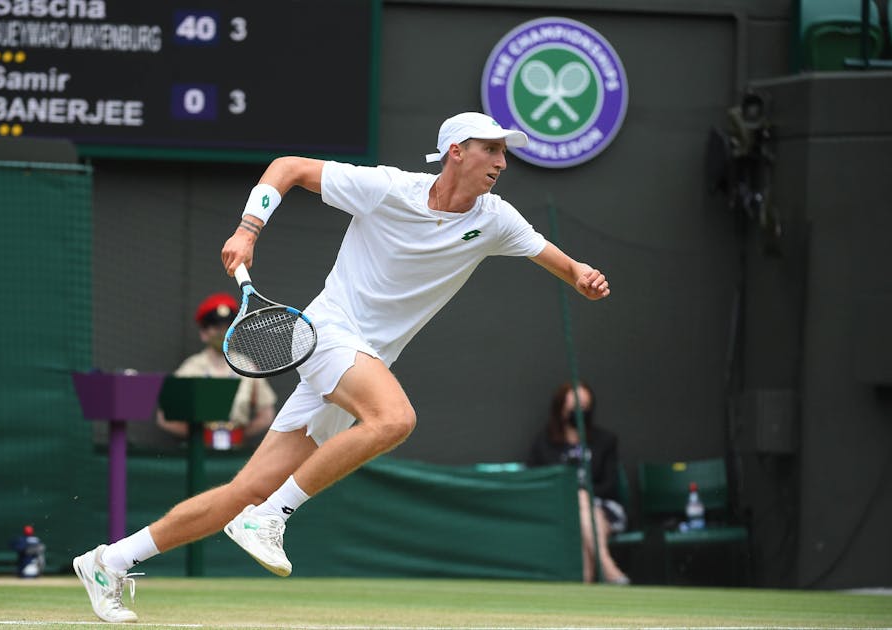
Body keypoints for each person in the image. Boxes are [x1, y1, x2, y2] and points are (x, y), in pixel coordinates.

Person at [74, 111, 610, 622]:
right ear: (456, 152)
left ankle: (110, 561)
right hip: (330, 332)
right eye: (491, 149)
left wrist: (583, 276)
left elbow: (558, 261)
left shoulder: (496, 219)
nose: (501, 161)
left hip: (365, 357)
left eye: (504, 152)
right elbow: (288, 167)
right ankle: (271, 518)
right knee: (394, 419)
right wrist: (247, 229)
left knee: (246, 489)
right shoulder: (387, 188)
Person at [527, 380, 630, 585]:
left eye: (584, 408)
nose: (579, 414)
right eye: (574, 408)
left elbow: (610, 485)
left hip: (604, 508)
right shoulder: (545, 444)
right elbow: (537, 482)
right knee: (580, 512)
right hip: (561, 512)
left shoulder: (605, 441)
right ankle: (608, 569)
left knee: (582, 502)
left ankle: (591, 579)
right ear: (561, 410)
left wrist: (583, 495)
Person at [155, 292, 278, 447]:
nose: (222, 332)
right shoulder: (191, 368)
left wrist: (240, 434)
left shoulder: (246, 366)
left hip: (236, 449)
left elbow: (266, 414)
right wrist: (196, 434)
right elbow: (164, 416)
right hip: (199, 449)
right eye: (216, 326)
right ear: (204, 333)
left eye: (227, 326)